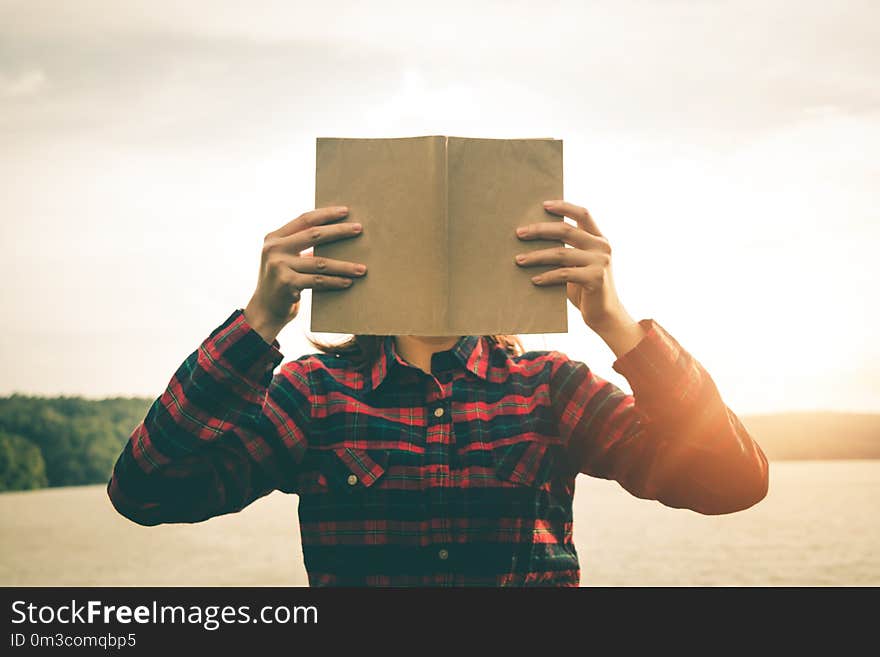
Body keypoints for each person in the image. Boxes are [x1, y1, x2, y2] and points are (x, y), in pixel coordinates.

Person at [107, 200, 769, 586]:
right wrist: (258, 320)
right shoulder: (314, 396)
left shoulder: (549, 387)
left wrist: (617, 325)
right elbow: (147, 491)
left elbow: (731, 480)